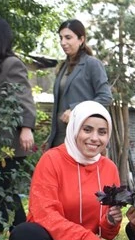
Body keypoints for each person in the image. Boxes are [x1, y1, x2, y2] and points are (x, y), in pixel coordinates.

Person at [6, 101, 124, 240]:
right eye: (87, 129)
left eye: (102, 132)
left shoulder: (109, 169)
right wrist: (89, 239)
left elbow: (106, 233)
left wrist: (111, 221)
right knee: (26, 234)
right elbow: (44, 215)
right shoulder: (51, 160)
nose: (95, 138)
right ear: (75, 128)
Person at [0, 16, 36, 232]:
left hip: (8, 142)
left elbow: (24, 97)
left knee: (5, 191)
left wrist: (26, 128)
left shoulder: (11, 63)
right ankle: (3, 233)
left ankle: (16, 233)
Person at [47, 19, 112, 148]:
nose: (63, 42)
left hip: (83, 140)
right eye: (61, 38)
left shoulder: (92, 64)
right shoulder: (62, 67)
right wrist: (51, 139)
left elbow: (106, 97)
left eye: (68, 38)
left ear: (81, 39)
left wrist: (76, 110)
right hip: (61, 138)